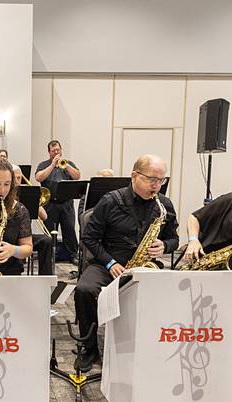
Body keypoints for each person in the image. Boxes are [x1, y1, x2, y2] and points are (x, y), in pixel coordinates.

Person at [74, 155, 179, 372]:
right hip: (109, 263)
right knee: (84, 290)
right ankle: (88, 347)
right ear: (134, 176)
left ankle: (151, 345)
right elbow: (89, 238)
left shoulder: (164, 205)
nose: (157, 186)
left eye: (161, 180)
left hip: (144, 266)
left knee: (169, 292)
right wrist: (110, 262)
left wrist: (165, 246)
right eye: (152, 179)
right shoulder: (110, 201)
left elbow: (174, 239)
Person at [35, 139, 81, 262]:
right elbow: (38, 177)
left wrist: (67, 166)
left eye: (58, 150)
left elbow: (77, 176)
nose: (56, 152)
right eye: (53, 150)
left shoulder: (68, 163)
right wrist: (52, 165)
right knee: (49, 230)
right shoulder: (43, 164)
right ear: (49, 152)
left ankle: (73, 255)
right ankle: (50, 255)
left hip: (66, 204)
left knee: (69, 229)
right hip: (50, 204)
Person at [13, 165, 54, 275]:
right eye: (14, 178)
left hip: (25, 235)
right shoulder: (4, 194)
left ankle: (45, 278)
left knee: (47, 241)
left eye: (19, 178)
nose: (17, 181)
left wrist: (35, 203)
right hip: (9, 236)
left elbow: (44, 217)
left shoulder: (28, 193)